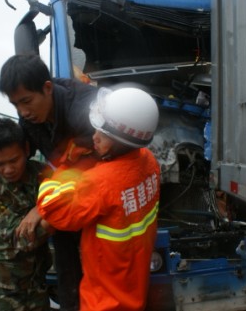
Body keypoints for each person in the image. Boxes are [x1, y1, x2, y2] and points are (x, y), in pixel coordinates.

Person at [0, 54, 99, 311]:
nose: (23, 112)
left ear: (47, 88)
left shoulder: (86, 110)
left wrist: (44, 208)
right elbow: (18, 147)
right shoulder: (29, 118)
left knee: (98, 271)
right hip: (66, 197)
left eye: (26, 101)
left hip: (94, 193)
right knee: (67, 270)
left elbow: (93, 168)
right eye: (15, 105)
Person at [37, 87, 161, 311]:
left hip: (103, 300)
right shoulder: (149, 161)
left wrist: (61, 169)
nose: (94, 137)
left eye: (103, 134)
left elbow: (51, 208)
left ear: (123, 141)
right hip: (133, 288)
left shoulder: (99, 182)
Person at [0, 118, 51, 311]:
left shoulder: (39, 173)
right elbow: (23, 239)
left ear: (26, 149)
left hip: (36, 283)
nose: (8, 170)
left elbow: (67, 182)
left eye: (14, 160)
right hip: (2, 288)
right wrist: (56, 210)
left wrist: (40, 209)